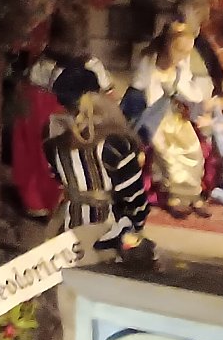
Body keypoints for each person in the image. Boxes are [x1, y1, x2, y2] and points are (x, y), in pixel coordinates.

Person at [44, 93, 154, 264]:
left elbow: (56, 178)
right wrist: (138, 224)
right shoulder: (116, 145)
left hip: (67, 226)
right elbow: (133, 194)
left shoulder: (55, 146)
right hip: (106, 230)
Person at [126, 18, 211, 217]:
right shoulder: (150, 64)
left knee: (193, 149)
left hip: (175, 116)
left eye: (186, 52)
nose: (183, 56)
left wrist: (192, 98)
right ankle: (174, 195)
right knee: (168, 153)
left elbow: (188, 89)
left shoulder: (181, 68)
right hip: (153, 118)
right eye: (179, 51)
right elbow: (139, 93)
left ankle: (193, 193)